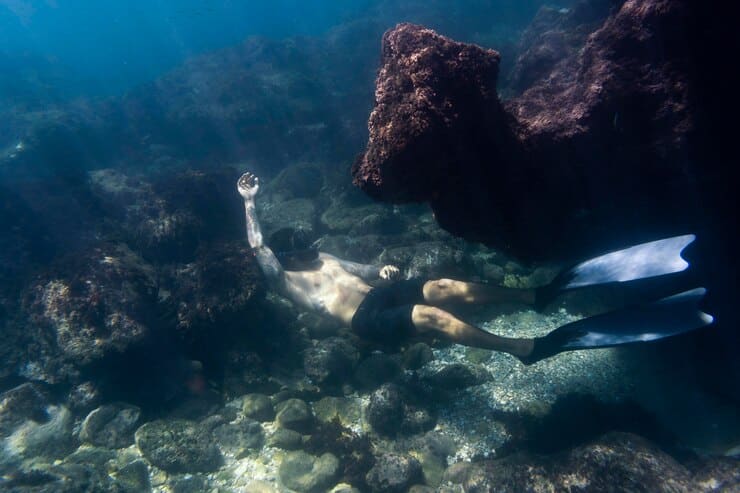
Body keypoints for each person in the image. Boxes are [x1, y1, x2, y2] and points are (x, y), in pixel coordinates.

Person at [237, 172, 713, 364]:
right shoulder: (283, 279)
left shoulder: (323, 257)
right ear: (287, 259)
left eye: (307, 246)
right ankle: (522, 348)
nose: (310, 251)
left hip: (381, 296)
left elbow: (364, 267)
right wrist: (250, 203)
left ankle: (537, 296)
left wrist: (381, 270)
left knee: (444, 286)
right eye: (300, 250)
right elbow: (258, 246)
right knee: (431, 318)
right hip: (365, 323)